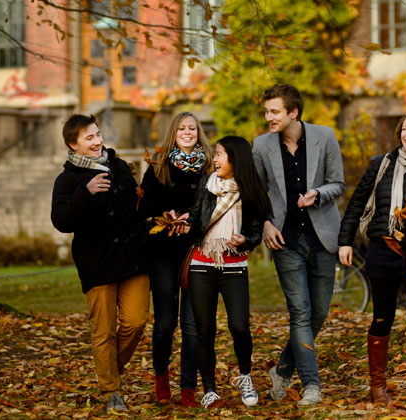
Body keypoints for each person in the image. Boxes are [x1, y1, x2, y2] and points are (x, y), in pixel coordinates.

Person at [337, 110, 406, 406]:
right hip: (382, 249)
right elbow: (357, 201)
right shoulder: (381, 165)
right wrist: (344, 242)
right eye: (404, 129)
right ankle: (377, 387)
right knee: (382, 317)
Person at [252, 84, 345, 406]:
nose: (269, 117)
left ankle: (283, 368)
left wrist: (319, 194)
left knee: (317, 314)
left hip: (322, 238)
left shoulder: (325, 136)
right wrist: (265, 223)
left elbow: (339, 183)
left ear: (293, 112)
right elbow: (256, 193)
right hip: (285, 239)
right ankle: (311, 385)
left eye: (274, 111)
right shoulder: (261, 145)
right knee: (300, 313)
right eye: (266, 111)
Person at [51, 114, 150, 412]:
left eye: (98, 134)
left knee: (136, 321)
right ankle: (112, 392)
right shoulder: (67, 180)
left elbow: (136, 208)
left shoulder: (119, 167)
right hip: (97, 264)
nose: (97, 142)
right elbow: (61, 221)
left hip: (133, 260)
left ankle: (108, 369)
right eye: (89, 138)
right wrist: (85, 192)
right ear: (74, 144)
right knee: (103, 331)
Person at [178, 136, 271, 409]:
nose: (215, 159)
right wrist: (185, 224)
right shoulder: (206, 185)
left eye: (220, 155)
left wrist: (245, 240)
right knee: (204, 330)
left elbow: (256, 229)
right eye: (215, 154)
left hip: (233, 266)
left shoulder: (250, 189)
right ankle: (209, 389)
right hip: (202, 264)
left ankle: (245, 376)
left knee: (239, 326)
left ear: (235, 159)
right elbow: (196, 219)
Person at [138, 112, 213, 407]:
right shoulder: (158, 169)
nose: (187, 132)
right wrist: (165, 217)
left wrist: (194, 222)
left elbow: (217, 209)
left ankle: (188, 387)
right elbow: (143, 211)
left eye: (192, 128)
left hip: (196, 252)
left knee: (192, 323)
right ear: (174, 132)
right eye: (182, 128)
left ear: (199, 132)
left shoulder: (210, 167)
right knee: (166, 322)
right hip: (163, 254)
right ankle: (160, 376)